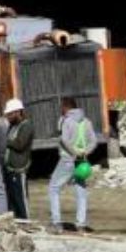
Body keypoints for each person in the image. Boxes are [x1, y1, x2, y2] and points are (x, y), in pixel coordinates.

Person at [50, 97, 98, 231]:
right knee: (81, 191)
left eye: (62, 107)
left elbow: (64, 140)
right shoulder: (87, 122)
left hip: (67, 160)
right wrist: (84, 153)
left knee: (54, 188)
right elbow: (93, 141)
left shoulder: (67, 121)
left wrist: (74, 153)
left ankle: (57, 223)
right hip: (82, 162)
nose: (61, 109)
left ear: (66, 107)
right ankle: (81, 224)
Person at [2, 98, 33, 219]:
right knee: (12, 200)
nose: (8, 117)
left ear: (18, 112)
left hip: (19, 169)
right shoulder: (12, 126)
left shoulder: (27, 126)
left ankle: (26, 221)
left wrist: (4, 141)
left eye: (10, 114)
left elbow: (20, 144)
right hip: (9, 169)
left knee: (21, 199)